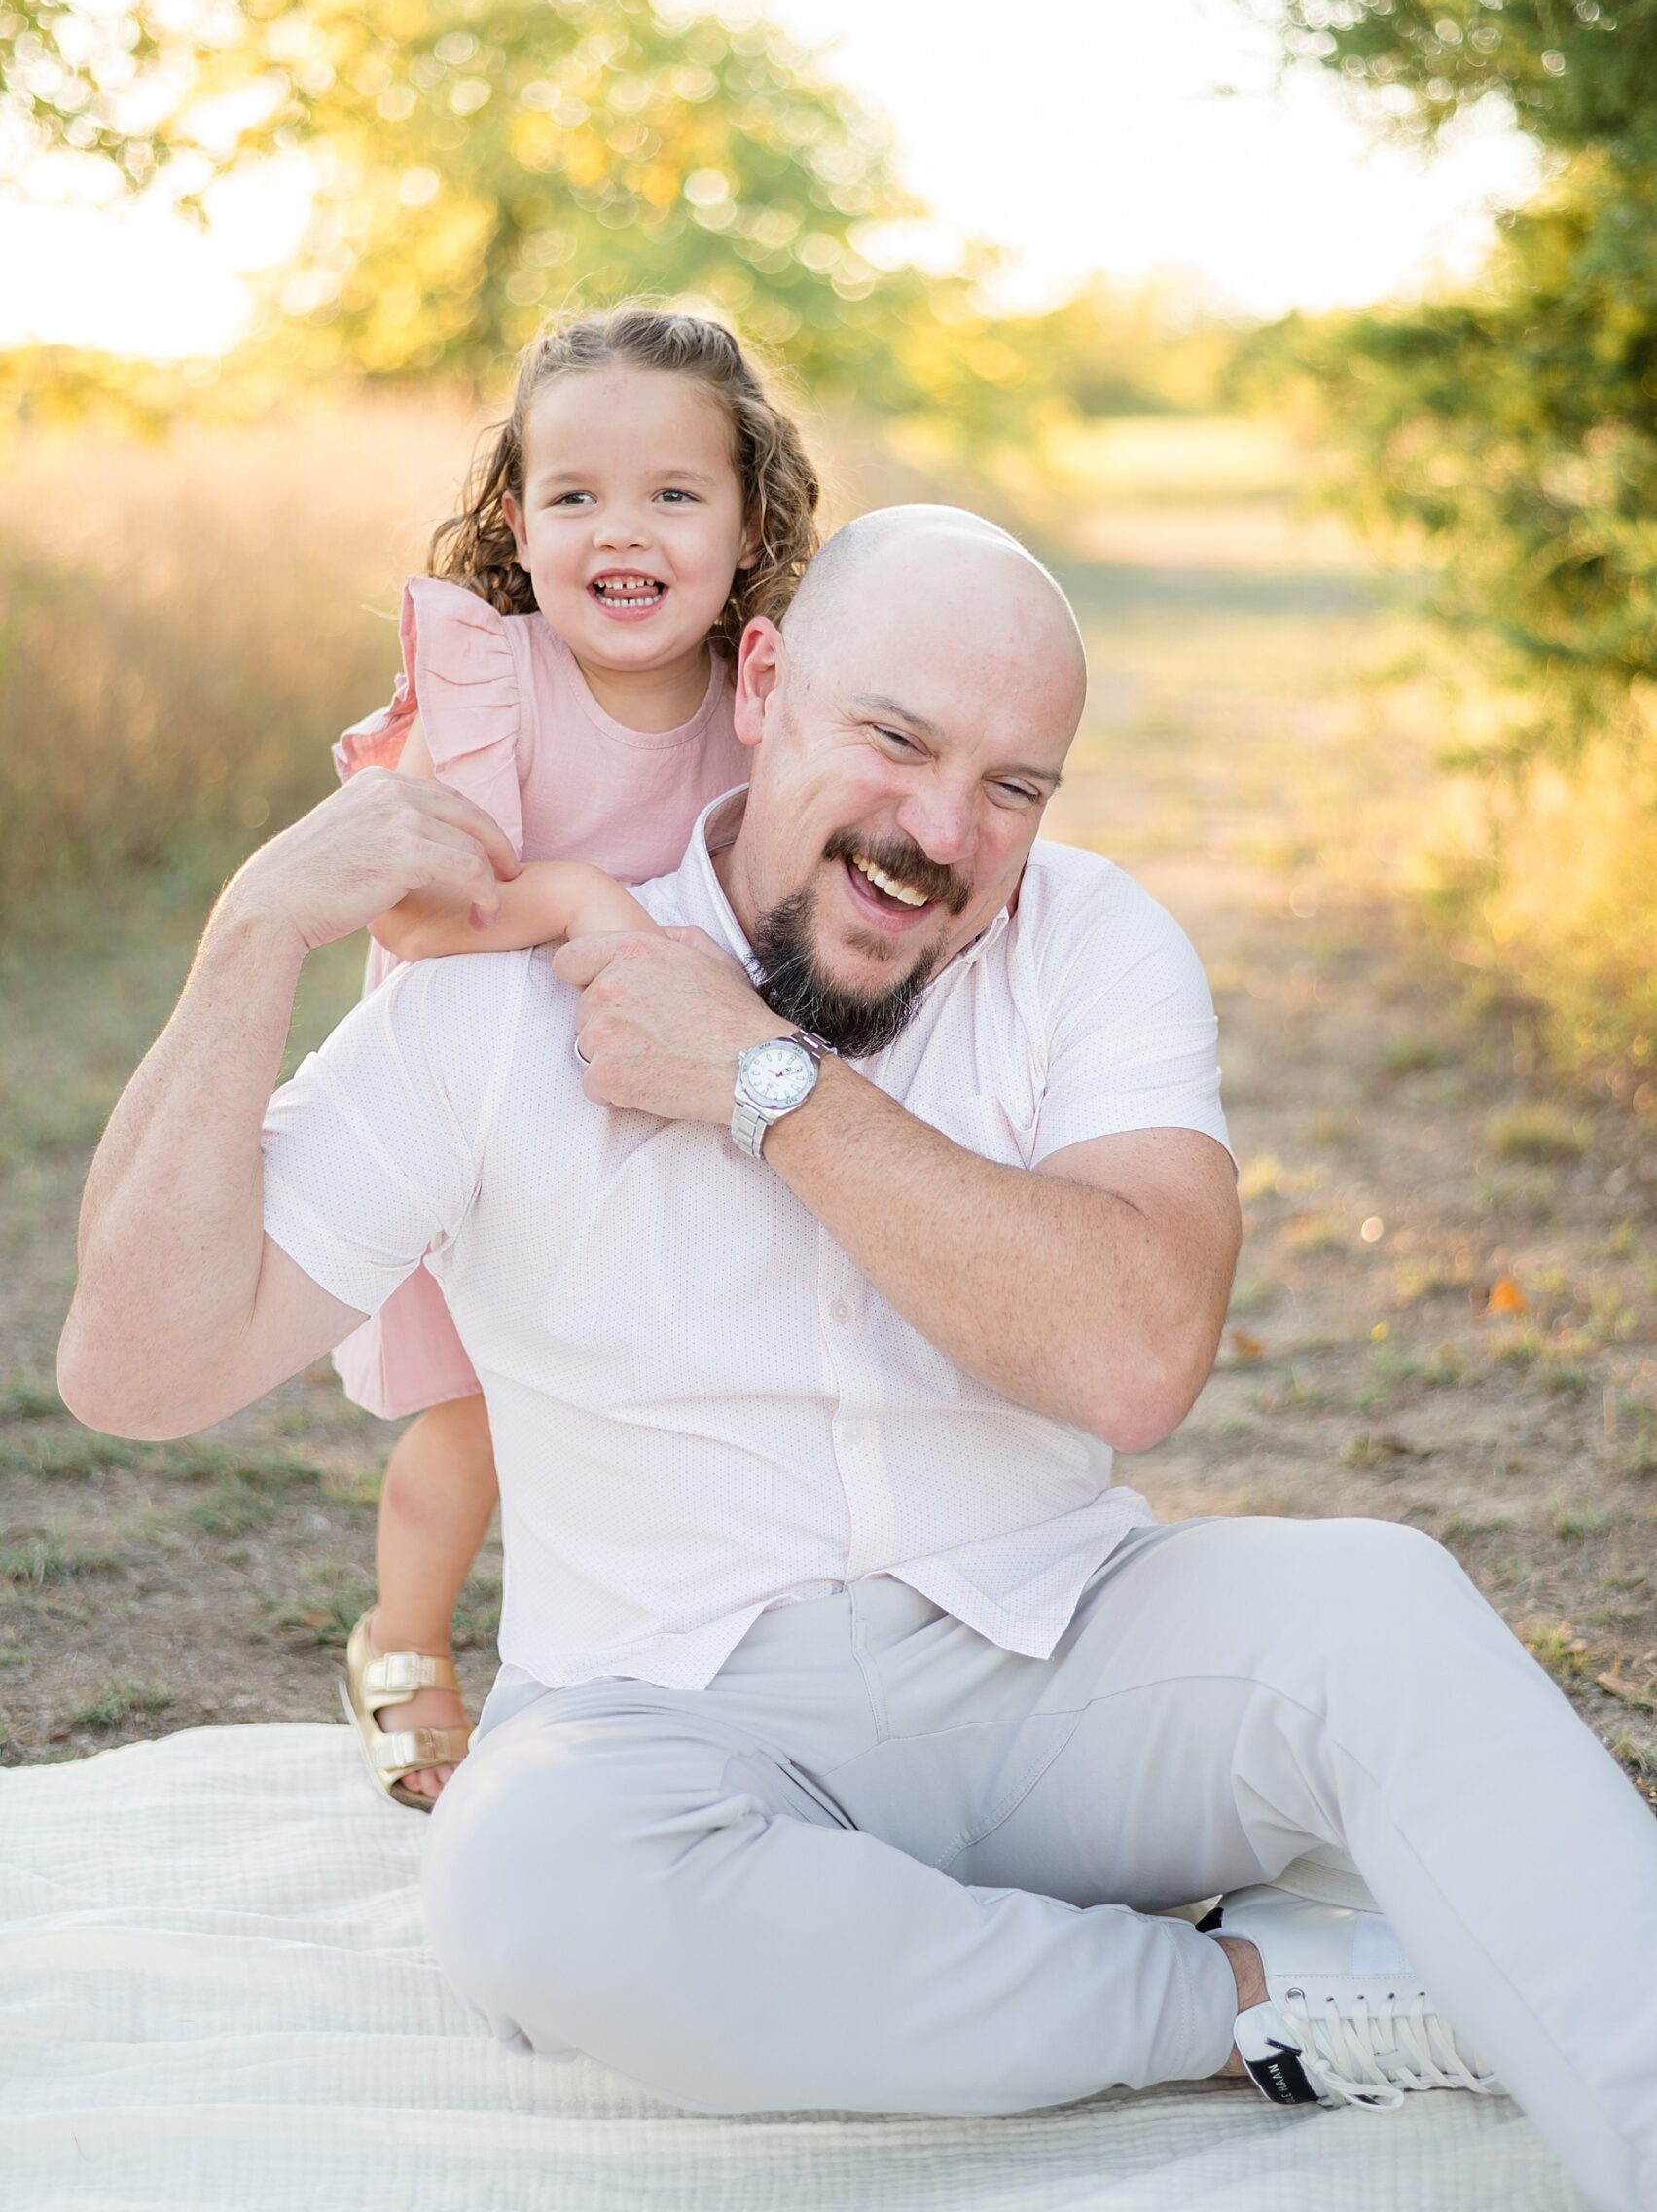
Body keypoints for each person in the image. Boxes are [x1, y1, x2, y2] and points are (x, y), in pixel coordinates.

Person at [59, 507, 1657, 2212]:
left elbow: (1136, 1356)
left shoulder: (1094, 943)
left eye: (1015, 786)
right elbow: (137, 1373)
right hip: (669, 1721)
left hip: (1063, 1668)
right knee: (527, 1880)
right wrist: (251, 934)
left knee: (1382, 1609)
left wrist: (766, 1082)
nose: (941, 832)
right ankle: (1257, 1999)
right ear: (763, 683)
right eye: (894, 740)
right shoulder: (492, 1004)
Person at [327, 302, 820, 1805]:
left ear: (749, 524)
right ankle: (402, 1635)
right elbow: (414, 910)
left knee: (685, 1395)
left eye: (674, 494)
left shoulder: (767, 694)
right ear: (515, 520)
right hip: (494, 1103)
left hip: (672, 1087)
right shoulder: (495, 682)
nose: (626, 529)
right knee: (471, 1422)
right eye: (576, 495)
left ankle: (670, 1666)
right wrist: (587, 901)